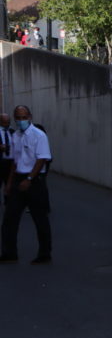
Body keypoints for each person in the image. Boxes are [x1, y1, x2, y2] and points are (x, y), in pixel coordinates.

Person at [1, 106, 53, 264]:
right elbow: (15, 162)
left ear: (30, 116)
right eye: (18, 117)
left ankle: (44, 254)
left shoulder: (39, 135)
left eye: (23, 117)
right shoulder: (15, 136)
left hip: (34, 181)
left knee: (40, 219)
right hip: (18, 180)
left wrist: (29, 179)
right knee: (10, 218)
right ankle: (9, 253)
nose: (20, 120)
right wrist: (10, 183)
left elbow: (42, 158)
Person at [0, 112, 14, 201]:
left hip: (10, 162)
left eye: (8, 122)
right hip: (0, 161)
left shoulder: (12, 132)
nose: (7, 124)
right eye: (5, 122)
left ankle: (8, 200)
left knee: (9, 184)